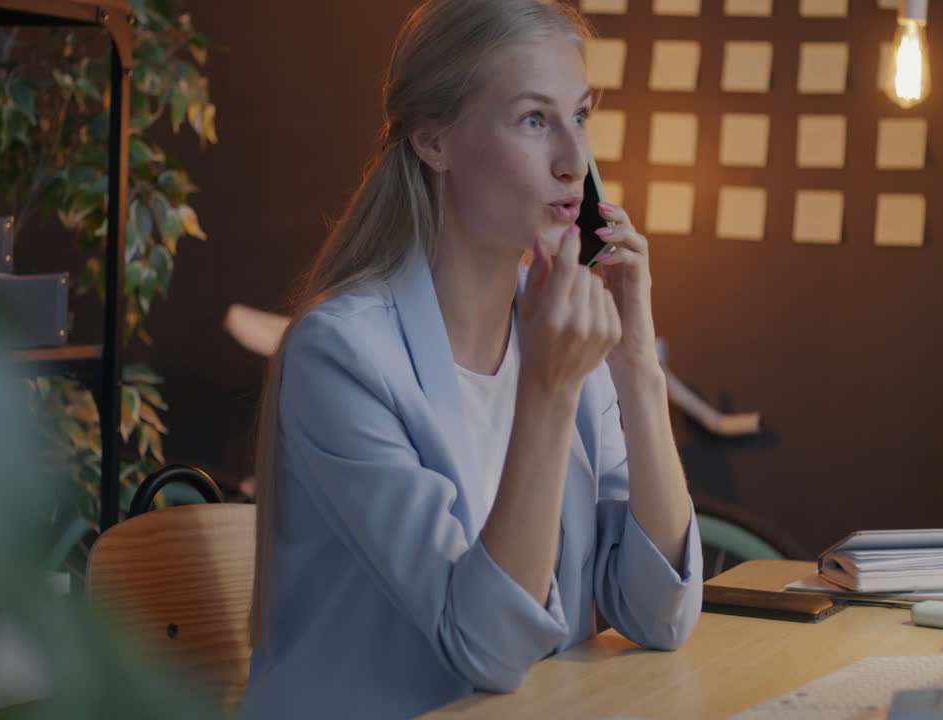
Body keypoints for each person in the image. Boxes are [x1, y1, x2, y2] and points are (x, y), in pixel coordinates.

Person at [238, 1, 702, 718]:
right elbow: (486, 646)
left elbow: (659, 612)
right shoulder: (342, 356)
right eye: (533, 120)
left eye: (579, 116)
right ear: (433, 140)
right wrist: (547, 390)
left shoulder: (556, 325)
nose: (573, 162)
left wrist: (637, 364)